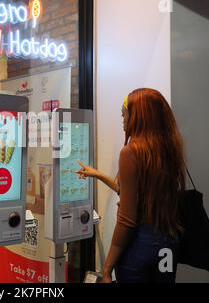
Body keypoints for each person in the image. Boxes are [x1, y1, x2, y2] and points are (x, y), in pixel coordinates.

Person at [76, 88, 186, 283]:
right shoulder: (168, 149)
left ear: (139, 116)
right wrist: (98, 174)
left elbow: (128, 219)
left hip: (140, 245)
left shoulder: (131, 152)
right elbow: (135, 194)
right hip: (168, 244)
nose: (122, 119)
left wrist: (107, 267)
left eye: (124, 113)